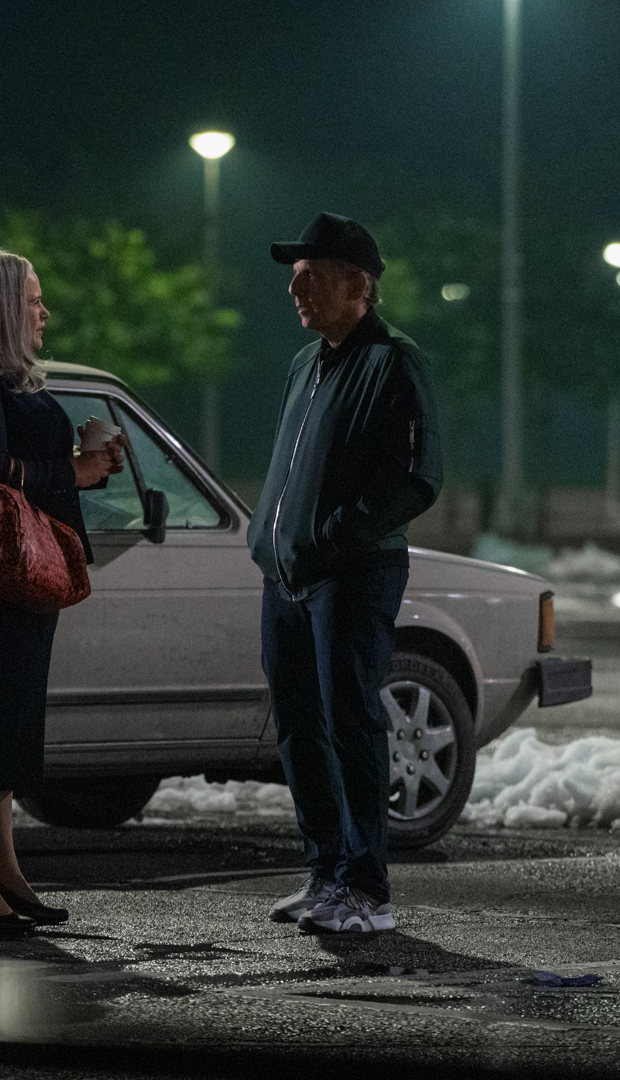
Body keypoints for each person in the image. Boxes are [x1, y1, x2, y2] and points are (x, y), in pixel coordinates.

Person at [249, 213, 444, 934]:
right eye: (293, 281)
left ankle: (367, 890)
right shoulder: (307, 363)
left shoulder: (393, 360)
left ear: (358, 285)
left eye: (310, 279)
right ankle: (326, 872)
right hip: (289, 578)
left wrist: (333, 534)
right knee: (301, 728)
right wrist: (268, 540)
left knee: (350, 724)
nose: (295, 292)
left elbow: (419, 478)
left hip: (351, 574)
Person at [0, 248, 125, 936]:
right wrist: (76, 467)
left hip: (30, 560)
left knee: (11, 716)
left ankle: (1, 871)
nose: (44, 312)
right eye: (32, 299)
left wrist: (90, 462)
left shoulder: (10, 379)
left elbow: (30, 462)